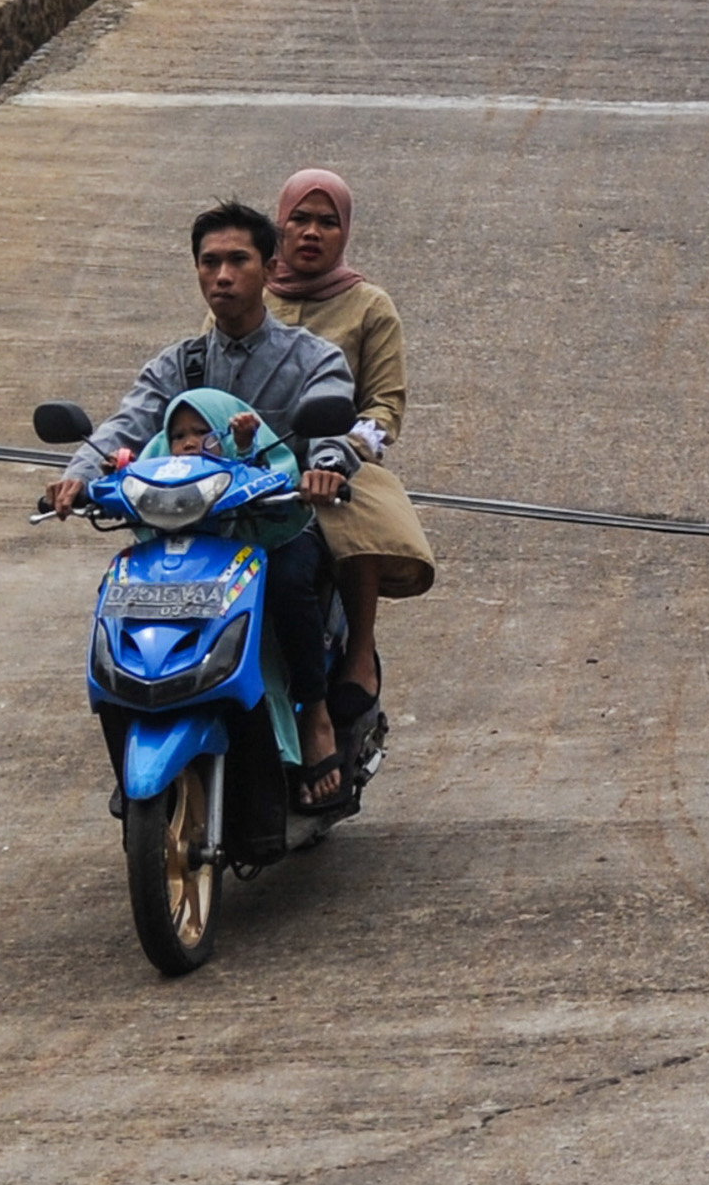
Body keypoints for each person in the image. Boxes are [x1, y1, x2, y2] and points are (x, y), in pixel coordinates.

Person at [46, 202, 360, 810]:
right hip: (188, 526)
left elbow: (332, 416)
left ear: (269, 268)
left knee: (293, 579)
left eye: (237, 260)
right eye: (209, 262)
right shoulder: (178, 364)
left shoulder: (309, 357)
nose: (222, 275)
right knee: (129, 591)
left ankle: (316, 714)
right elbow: (125, 424)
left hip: (276, 522)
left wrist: (325, 466)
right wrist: (79, 475)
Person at [265, 168, 435, 718]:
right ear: (279, 226)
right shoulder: (248, 294)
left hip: (337, 462)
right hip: (252, 468)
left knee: (355, 523)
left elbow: (385, 407)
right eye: (301, 219)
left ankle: (359, 654)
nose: (312, 232)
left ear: (345, 234)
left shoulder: (369, 306)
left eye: (327, 222)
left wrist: (345, 451)